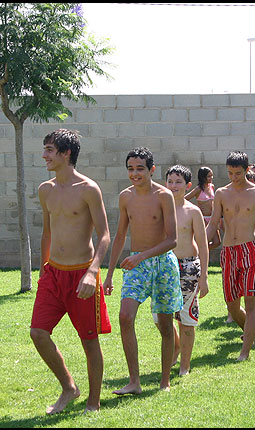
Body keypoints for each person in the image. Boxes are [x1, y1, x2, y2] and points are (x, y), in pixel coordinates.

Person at [30, 129, 112, 415]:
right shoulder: (45, 189)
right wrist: (43, 269)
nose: (44, 155)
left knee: (89, 340)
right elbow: (47, 232)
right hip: (53, 274)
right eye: (45, 149)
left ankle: (93, 403)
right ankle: (69, 387)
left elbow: (104, 235)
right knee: (38, 333)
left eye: (49, 150)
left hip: (82, 275)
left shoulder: (89, 189)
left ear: (66, 154)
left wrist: (92, 272)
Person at [103, 147, 182, 393]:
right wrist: (109, 275)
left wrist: (143, 256)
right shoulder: (125, 197)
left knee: (166, 325)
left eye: (140, 169)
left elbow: (172, 240)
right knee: (125, 317)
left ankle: (165, 381)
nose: (134, 174)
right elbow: (119, 236)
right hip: (136, 264)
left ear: (152, 170)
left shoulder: (164, 196)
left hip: (162, 263)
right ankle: (134, 382)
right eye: (130, 169)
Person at [206, 151, 255, 360]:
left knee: (251, 304)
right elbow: (213, 223)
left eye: (238, 173)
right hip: (228, 252)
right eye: (230, 173)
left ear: (247, 170)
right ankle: (250, 333)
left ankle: (245, 351)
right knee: (232, 306)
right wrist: (200, 245)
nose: (233, 177)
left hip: (250, 250)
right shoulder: (221, 193)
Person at [152, 165, 209, 376]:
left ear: (188, 185)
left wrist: (204, 277)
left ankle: (185, 365)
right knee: (160, 318)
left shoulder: (193, 211)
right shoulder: (159, 209)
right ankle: (175, 346)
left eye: (178, 182)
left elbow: (203, 245)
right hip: (164, 268)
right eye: (170, 181)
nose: (173, 186)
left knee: (186, 319)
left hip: (188, 268)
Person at [185, 166, 221, 249]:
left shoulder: (211, 186)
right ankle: (199, 254)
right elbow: (185, 199)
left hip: (212, 218)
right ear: (203, 177)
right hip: (203, 219)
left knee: (217, 242)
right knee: (204, 242)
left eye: (212, 176)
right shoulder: (198, 189)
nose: (211, 178)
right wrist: (194, 210)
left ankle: (200, 252)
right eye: (209, 176)